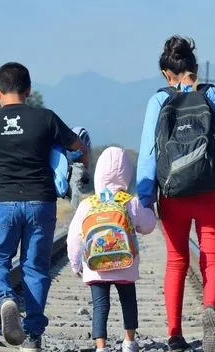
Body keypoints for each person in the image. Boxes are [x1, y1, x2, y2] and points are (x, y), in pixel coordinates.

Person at [136, 35, 215, 352]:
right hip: (214, 191)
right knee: (213, 259)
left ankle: (174, 334)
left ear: (165, 74)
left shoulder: (159, 101)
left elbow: (148, 154)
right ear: (195, 70)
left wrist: (146, 197)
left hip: (173, 193)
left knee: (176, 261)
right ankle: (210, 309)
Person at [0, 62, 89, 352]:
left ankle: (5, 300)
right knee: (35, 268)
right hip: (41, 202)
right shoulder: (46, 118)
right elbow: (78, 146)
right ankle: (32, 337)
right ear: (29, 90)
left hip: (4, 202)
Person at [67, 147, 156, 352]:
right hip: (126, 264)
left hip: (96, 266)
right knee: (128, 301)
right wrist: (148, 209)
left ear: (99, 173)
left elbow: (74, 238)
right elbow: (148, 226)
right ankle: (129, 342)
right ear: (126, 175)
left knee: (100, 306)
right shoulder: (129, 202)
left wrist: (75, 264)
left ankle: (101, 346)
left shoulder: (88, 203)